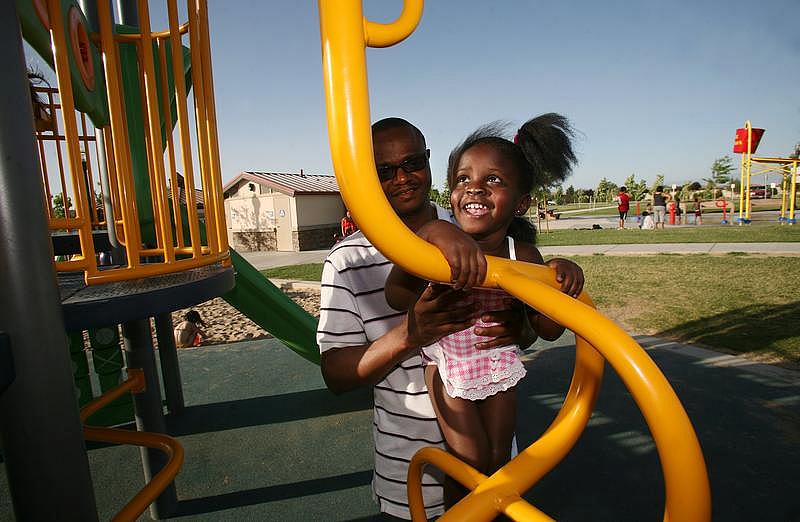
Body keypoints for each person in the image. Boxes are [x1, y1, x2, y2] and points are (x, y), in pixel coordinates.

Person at [316, 117, 583, 521]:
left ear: (428, 161)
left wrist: (522, 324)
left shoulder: (475, 224)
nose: (402, 178)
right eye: (383, 171)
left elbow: (531, 325)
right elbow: (336, 375)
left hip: (496, 460)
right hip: (406, 465)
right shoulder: (347, 261)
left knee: (487, 482)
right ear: (367, 178)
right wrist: (410, 334)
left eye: (412, 163)